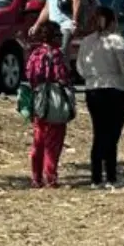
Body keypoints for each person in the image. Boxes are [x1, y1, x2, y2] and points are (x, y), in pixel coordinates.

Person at [77, 7, 124, 189]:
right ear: (112, 21)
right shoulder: (117, 41)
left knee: (99, 131)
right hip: (116, 88)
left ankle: (96, 176)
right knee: (113, 134)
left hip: (93, 89)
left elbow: (80, 67)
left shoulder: (86, 42)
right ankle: (110, 175)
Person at [25, 21, 73, 188]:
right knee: (53, 142)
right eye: (59, 35)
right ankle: (50, 177)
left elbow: (30, 76)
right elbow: (62, 77)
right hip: (54, 101)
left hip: (39, 100)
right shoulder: (57, 55)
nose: (61, 38)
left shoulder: (35, 54)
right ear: (53, 37)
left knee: (38, 140)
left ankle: (36, 177)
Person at [29, 0, 80, 65]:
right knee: (51, 55)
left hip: (66, 25)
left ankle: (64, 78)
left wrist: (74, 21)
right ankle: (56, 77)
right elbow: (47, 8)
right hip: (53, 27)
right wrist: (36, 25)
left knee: (62, 53)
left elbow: (76, 0)